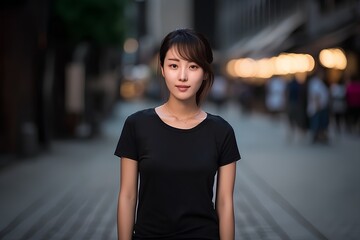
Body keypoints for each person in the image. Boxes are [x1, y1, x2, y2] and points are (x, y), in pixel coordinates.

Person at [114, 29, 241, 240]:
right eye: (174, 65)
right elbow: (127, 196)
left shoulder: (221, 131)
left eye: (193, 66)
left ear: (206, 72)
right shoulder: (137, 125)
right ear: (162, 69)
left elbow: (225, 203)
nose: (182, 76)